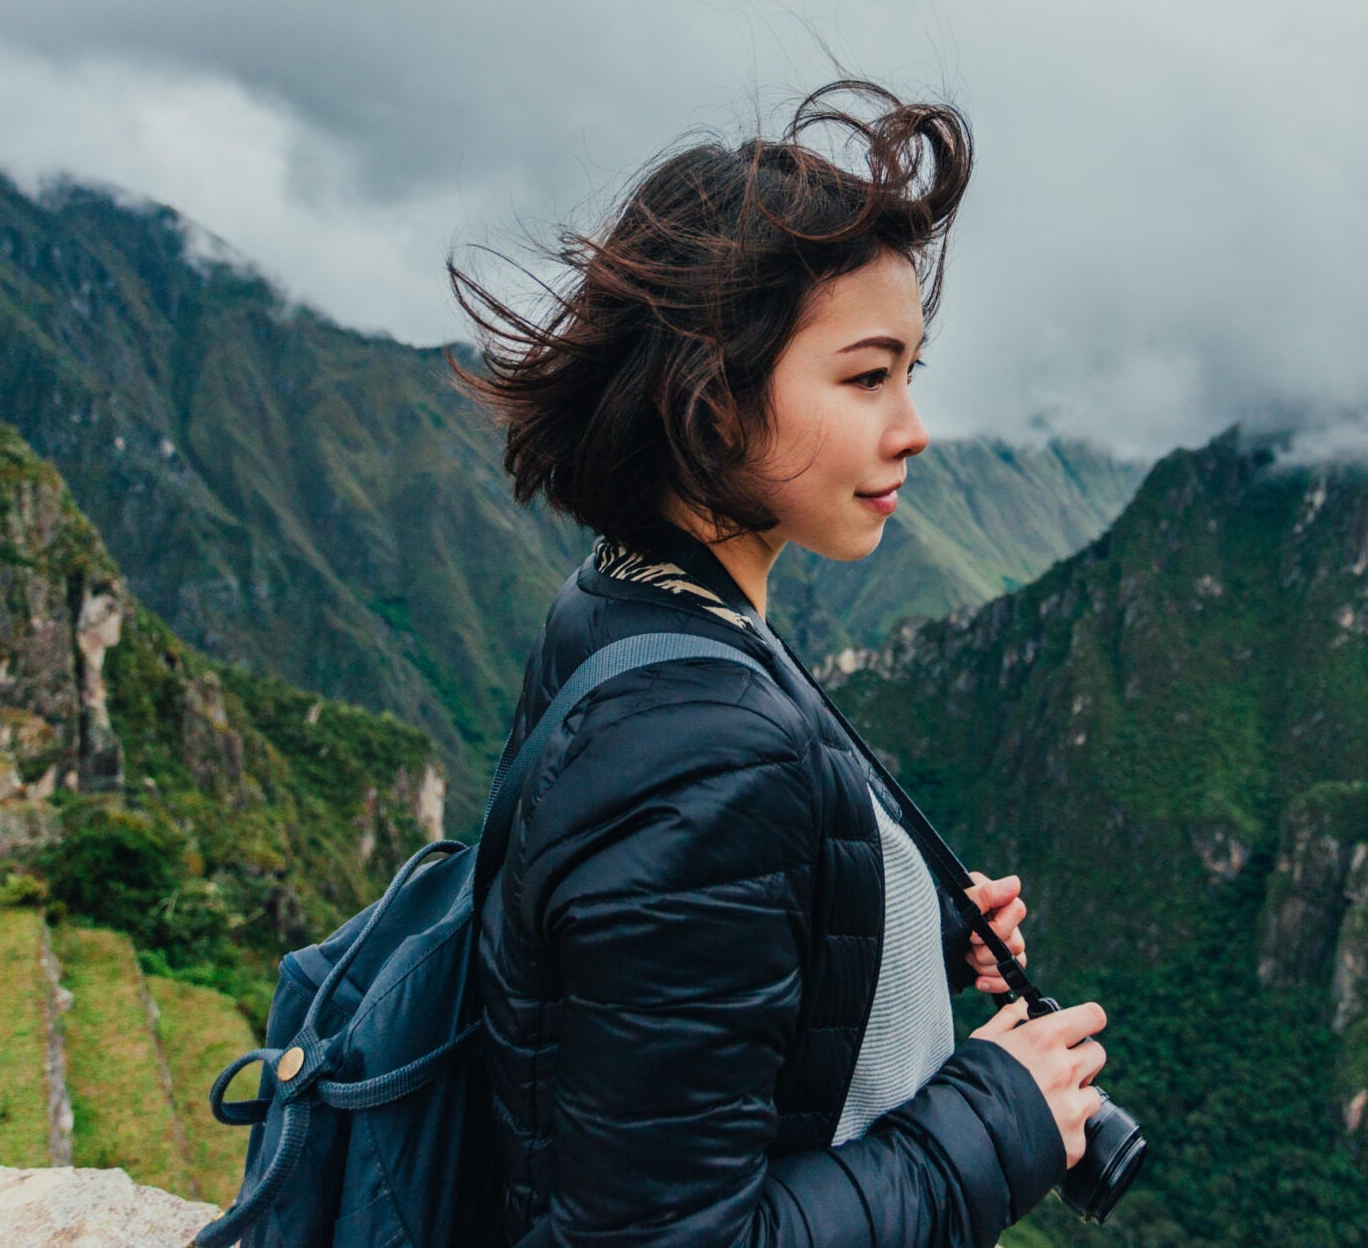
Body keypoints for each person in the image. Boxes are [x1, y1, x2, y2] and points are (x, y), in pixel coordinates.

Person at [452, 83, 1110, 1248]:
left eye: (910, 372)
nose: (910, 427)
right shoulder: (701, 753)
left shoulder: (626, 602)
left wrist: (890, 928)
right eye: (866, 377)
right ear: (709, 399)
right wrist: (1001, 1117)